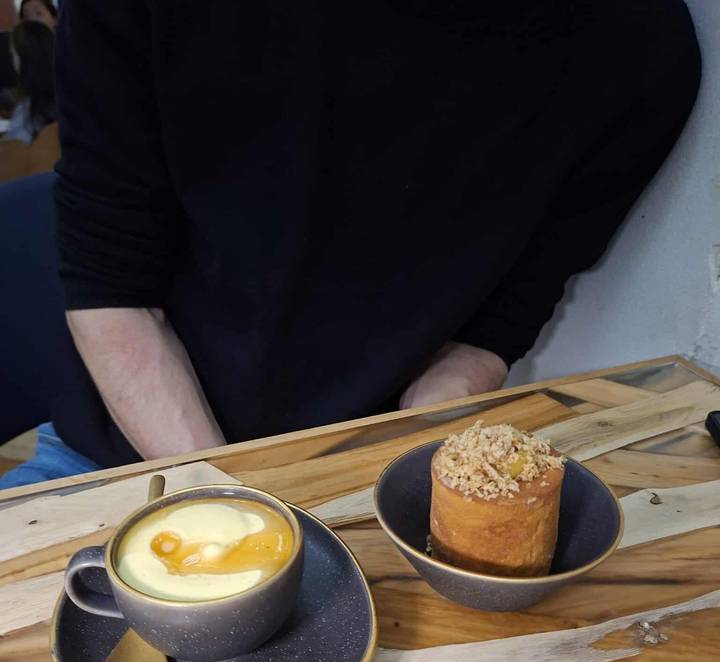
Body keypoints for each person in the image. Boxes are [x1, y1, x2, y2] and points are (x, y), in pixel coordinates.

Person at [0, 1, 701, 489]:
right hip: (122, 457)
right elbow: (112, 288)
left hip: (374, 465)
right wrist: (240, 504)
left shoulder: (642, 56)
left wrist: (404, 465)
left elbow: (494, 328)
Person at [5, 19, 55, 144]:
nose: (11, 58)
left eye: (13, 54)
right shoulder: (73, 94)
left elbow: (12, 152)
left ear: (24, 58)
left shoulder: (28, 109)